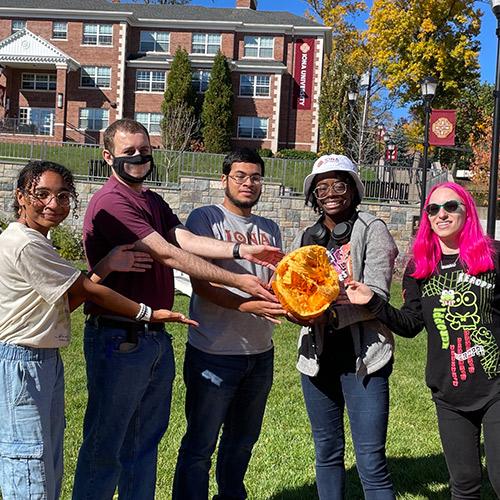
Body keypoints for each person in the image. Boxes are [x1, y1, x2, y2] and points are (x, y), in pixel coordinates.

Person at [72, 119, 283, 500]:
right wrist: (239, 280)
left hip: (153, 336)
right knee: (107, 445)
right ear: (107, 157)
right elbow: (170, 254)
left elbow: (182, 238)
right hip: (118, 336)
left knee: (144, 444)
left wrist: (241, 250)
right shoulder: (113, 201)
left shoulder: (150, 199)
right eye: (128, 151)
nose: (138, 157)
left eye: (145, 150)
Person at [0, 160, 195, 500]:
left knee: (46, 460)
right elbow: (87, 292)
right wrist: (147, 313)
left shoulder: (37, 241)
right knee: (28, 463)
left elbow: (65, 304)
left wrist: (103, 266)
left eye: (62, 196)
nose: (53, 204)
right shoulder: (24, 242)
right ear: (20, 197)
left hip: (42, 358)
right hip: (21, 361)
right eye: (41, 194)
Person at [346, 182, 500, 499]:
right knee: (465, 484)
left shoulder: (493, 256)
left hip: (496, 387)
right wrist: (373, 302)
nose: (441, 214)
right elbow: (412, 324)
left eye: (450, 207)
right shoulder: (420, 268)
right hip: (449, 393)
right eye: (433, 209)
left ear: (467, 210)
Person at [172, 148, 286, 500]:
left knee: (242, 442)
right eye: (240, 175)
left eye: (255, 177)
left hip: (259, 353)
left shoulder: (270, 228)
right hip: (214, 352)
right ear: (224, 179)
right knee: (200, 445)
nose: (248, 183)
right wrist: (249, 303)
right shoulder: (205, 219)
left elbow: (278, 283)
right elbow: (202, 285)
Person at [289, 154, 398, 499]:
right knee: (326, 452)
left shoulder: (372, 230)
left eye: (339, 184)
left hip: (364, 359)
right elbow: (294, 293)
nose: (331, 193)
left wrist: (327, 313)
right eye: (322, 188)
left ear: (353, 188)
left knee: (370, 460)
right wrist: (295, 310)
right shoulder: (308, 236)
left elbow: (376, 294)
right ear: (314, 196)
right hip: (317, 359)